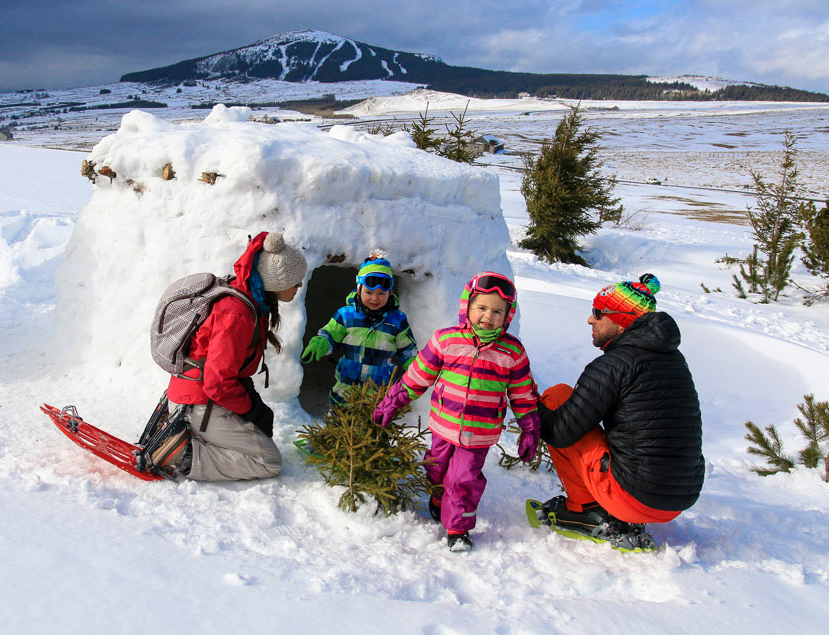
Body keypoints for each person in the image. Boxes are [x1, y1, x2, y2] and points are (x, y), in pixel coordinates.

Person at [372, 272, 540, 551]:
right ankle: (439, 499)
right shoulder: (446, 341)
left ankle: (458, 528)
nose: (488, 316)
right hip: (443, 425)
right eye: (482, 308)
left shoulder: (512, 352)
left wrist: (530, 428)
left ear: (507, 316)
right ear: (467, 307)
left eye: (497, 311)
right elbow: (418, 376)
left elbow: (522, 393)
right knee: (435, 470)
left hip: (479, 434)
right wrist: (394, 400)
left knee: (463, 479)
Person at [537, 274, 704, 550]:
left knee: (556, 398)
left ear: (621, 321)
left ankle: (586, 510)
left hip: (634, 498)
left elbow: (560, 431)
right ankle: (618, 506)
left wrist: (528, 403)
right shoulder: (675, 360)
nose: (591, 320)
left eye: (598, 313)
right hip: (677, 501)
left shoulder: (615, 365)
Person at [145, 231, 306, 481]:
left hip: (194, 395)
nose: (300, 287)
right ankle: (181, 454)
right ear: (277, 282)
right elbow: (217, 383)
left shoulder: (247, 298)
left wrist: (250, 403)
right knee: (268, 461)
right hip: (199, 402)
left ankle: (191, 434)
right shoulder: (238, 314)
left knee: (260, 435)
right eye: (296, 281)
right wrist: (251, 408)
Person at [300, 250, 417, 409]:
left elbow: (408, 349)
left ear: (390, 293)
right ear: (359, 289)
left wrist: (415, 366)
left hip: (379, 391)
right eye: (369, 292)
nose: (375, 298)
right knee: (341, 421)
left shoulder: (397, 321)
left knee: (374, 427)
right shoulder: (346, 316)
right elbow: (331, 334)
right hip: (347, 387)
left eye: (381, 293)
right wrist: (321, 343)